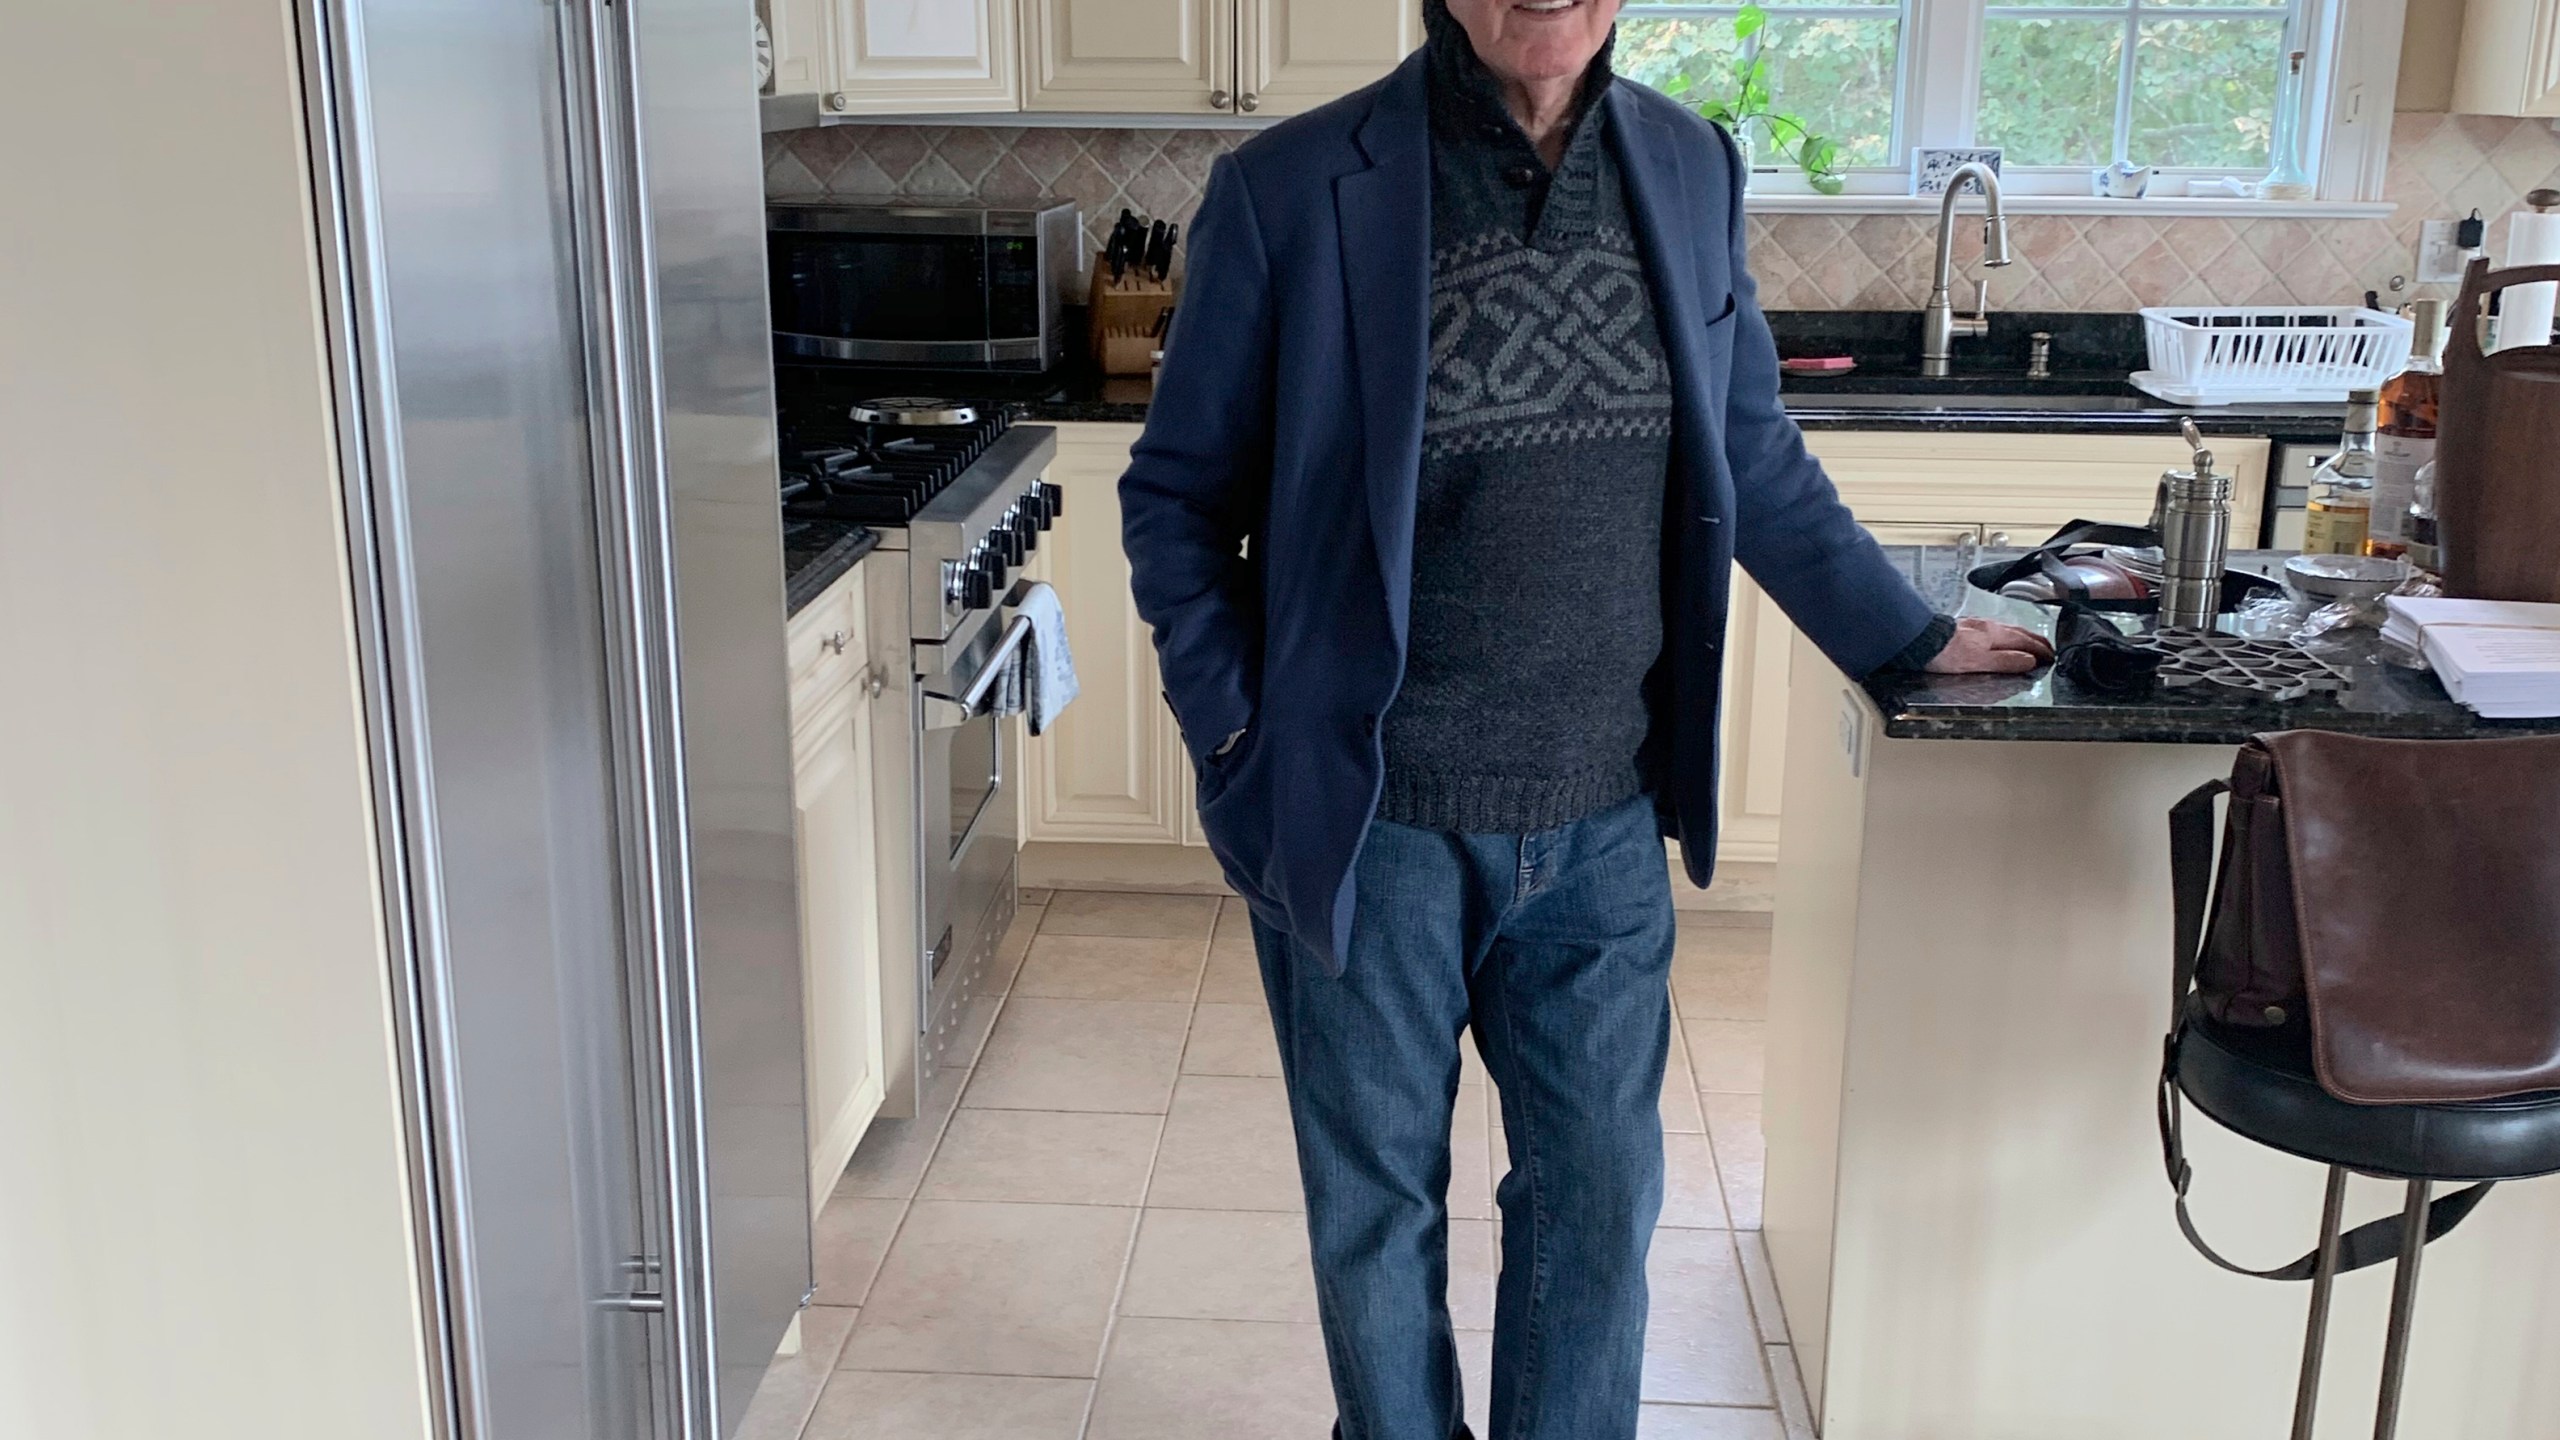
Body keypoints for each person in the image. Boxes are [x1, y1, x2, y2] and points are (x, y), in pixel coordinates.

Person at [1119, 2, 2052, 1435]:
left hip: (1604, 818)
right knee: (1377, 1216)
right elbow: (1176, 501)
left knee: (1600, 1211)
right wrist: (1239, 741)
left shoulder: (1690, 165)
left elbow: (1753, 457)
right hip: (1372, 822)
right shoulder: (1292, 188)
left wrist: (1910, 634)